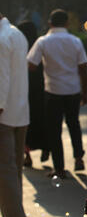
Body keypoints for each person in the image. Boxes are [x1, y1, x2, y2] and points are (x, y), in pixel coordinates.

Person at [27, 9, 87, 179]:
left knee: (54, 130)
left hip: (53, 91)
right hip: (73, 90)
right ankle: (78, 158)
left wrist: (48, 64)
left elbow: (31, 65)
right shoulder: (75, 41)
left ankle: (59, 168)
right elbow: (83, 68)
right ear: (67, 24)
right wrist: (85, 92)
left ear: (50, 23)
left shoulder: (43, 41)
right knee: (74, 125)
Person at [0, 12, 30, 217]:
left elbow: (1, 79)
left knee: (5, 175)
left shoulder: (1, 38)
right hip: (20, 112)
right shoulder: (16, 33)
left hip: (3, 114)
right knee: (13, 173)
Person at [17, 21, 49, 168]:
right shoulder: (40, 45)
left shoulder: (20, 48)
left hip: (26, 91)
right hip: (43, 91)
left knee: (27, 123)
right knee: (43, 120)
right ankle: (46, 148)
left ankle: (27, 155)